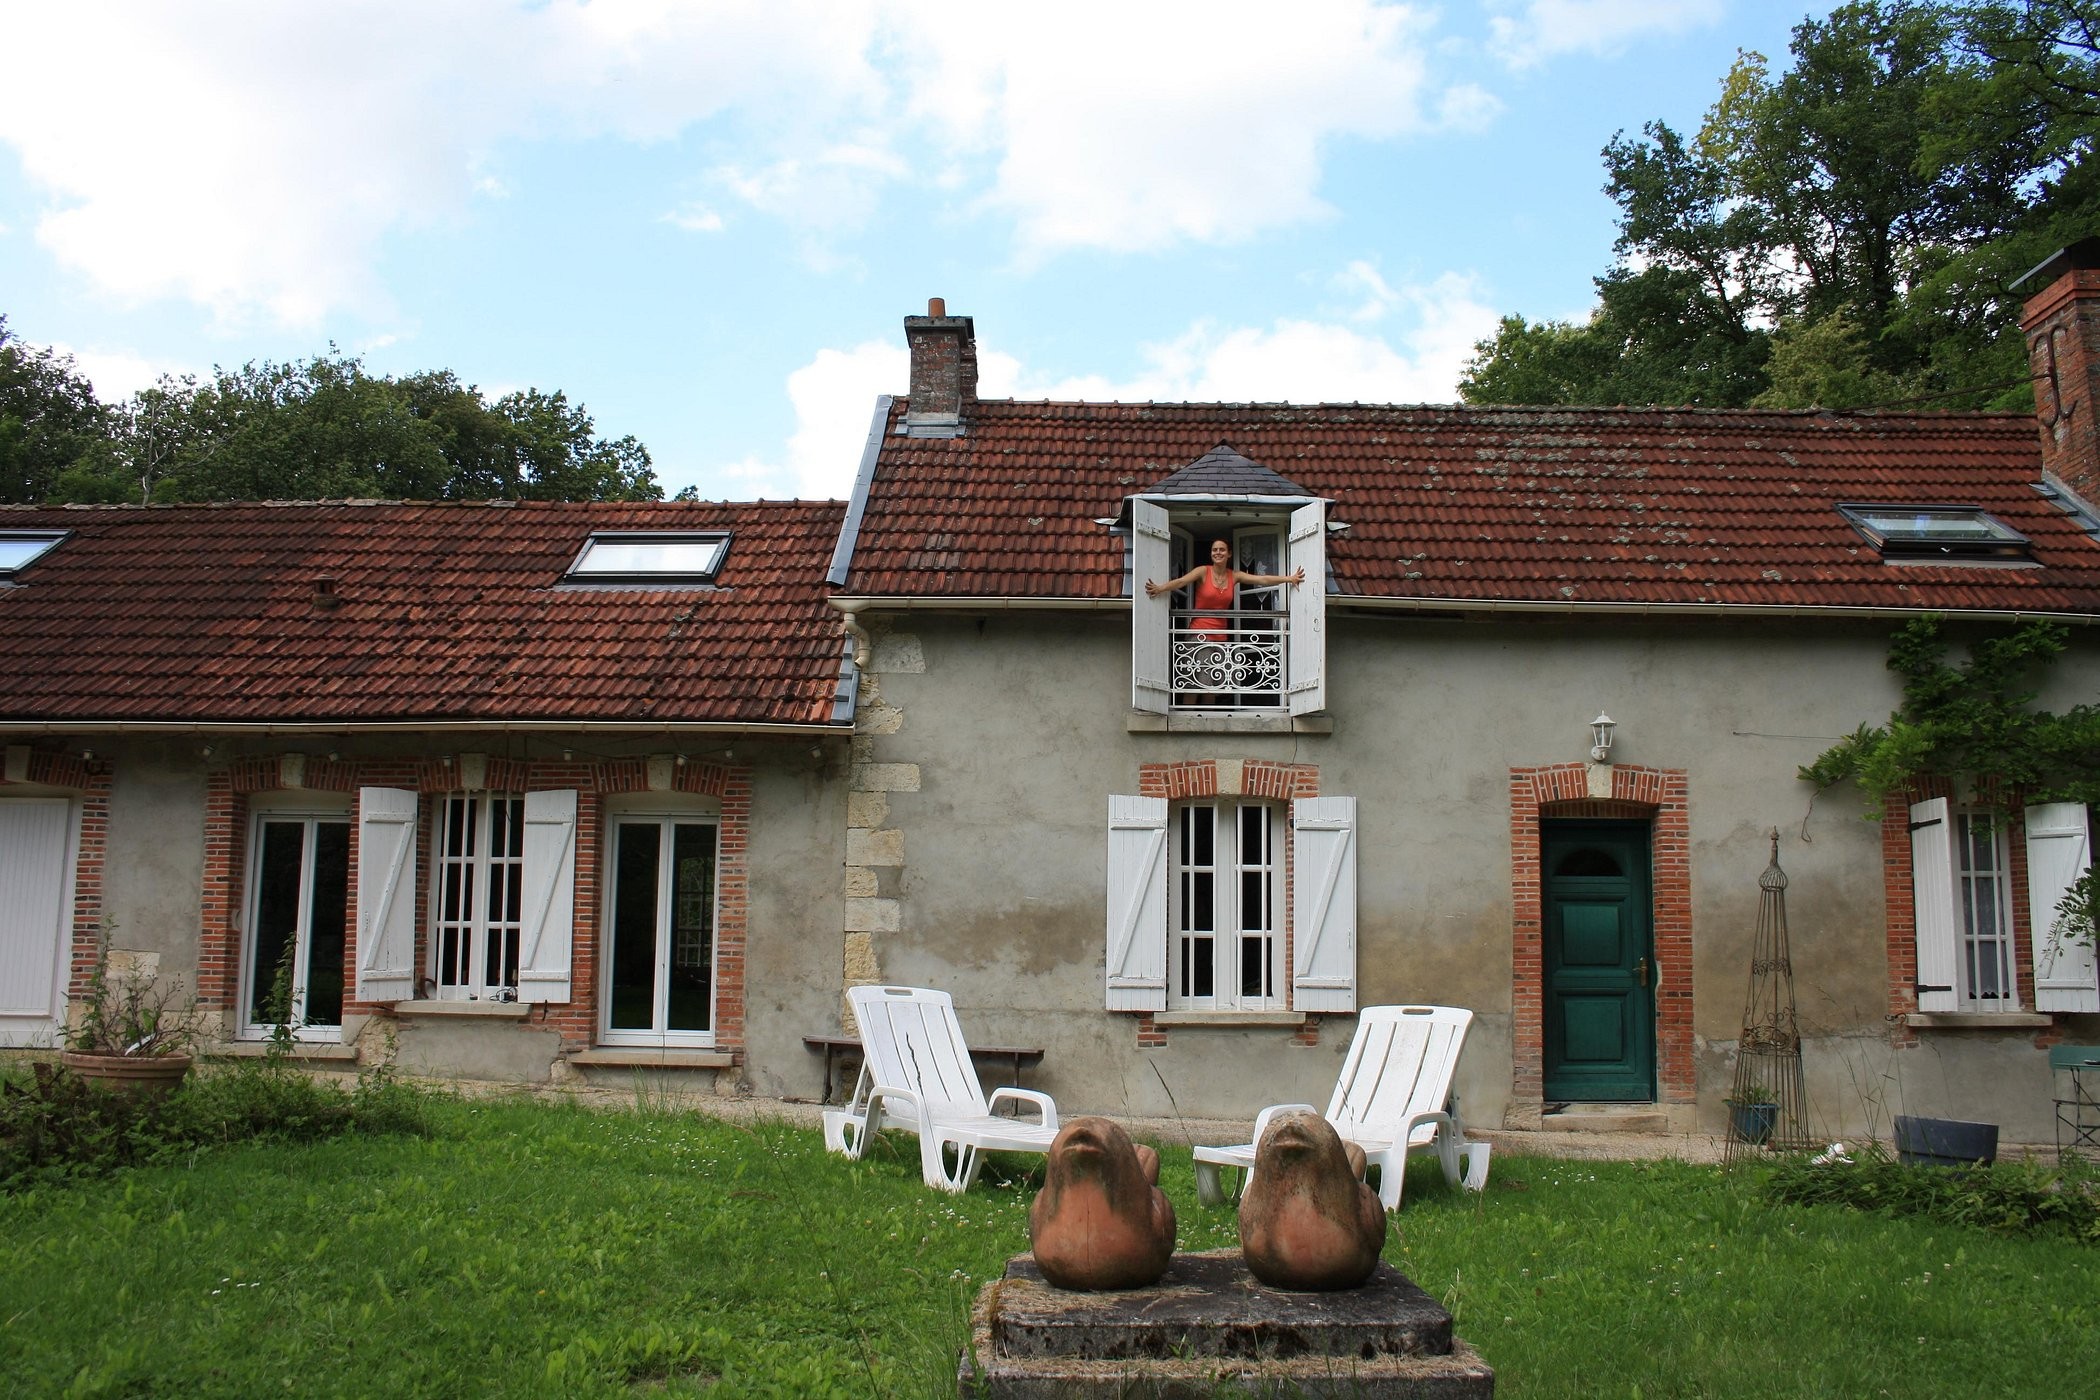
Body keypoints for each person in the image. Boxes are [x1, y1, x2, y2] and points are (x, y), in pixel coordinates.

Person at [1145, 538, 1305, 639]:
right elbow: (1181, 582)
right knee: (1195, 686)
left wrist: (1289, 579)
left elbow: (1262, 579)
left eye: (1222, 550)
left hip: (1221, 635)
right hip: (1199, 633)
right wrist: (1160, 588)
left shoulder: (1234, 575)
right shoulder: (1203, 571)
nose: (1217, 553)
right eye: (1214, 550)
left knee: (1213, 689)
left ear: (1229, 554)